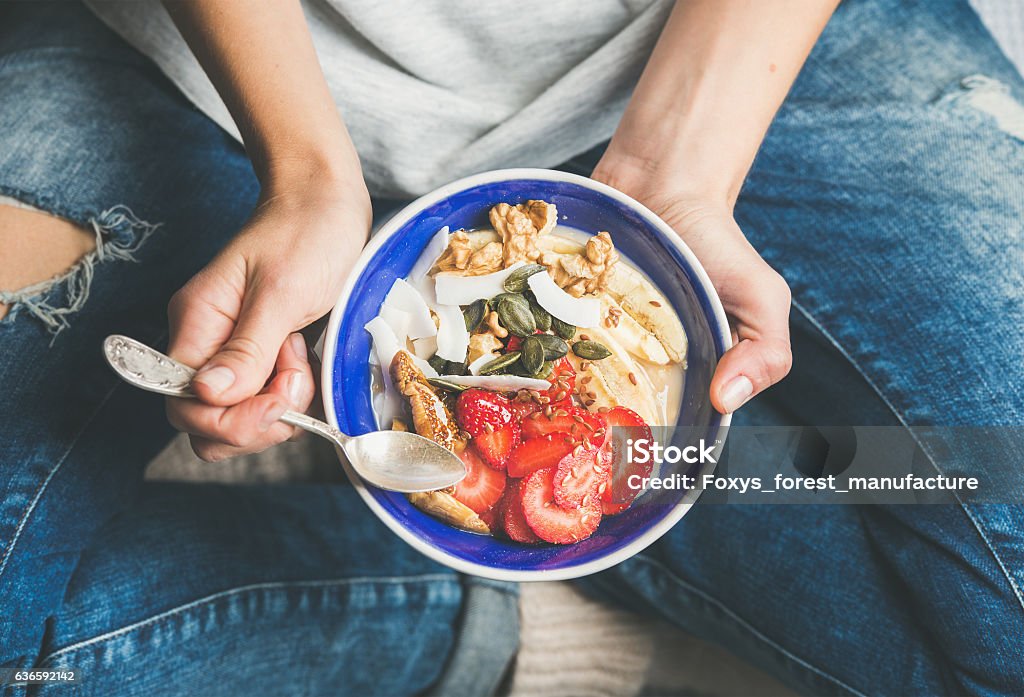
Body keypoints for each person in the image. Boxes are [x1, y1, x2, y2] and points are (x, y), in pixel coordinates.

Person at [1, 0, 1021, 694]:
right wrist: (305, 166)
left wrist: (680, 166)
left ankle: (636, 490)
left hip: (747, 56)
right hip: (204, 72)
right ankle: (465, 607)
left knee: (1004, 543)